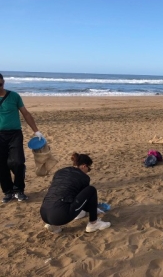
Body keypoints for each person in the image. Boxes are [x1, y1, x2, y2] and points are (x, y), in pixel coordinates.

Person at [0, 73, 44, 203]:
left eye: (0, 84)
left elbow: (26, 113)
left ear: (4, 82)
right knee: (1, 165)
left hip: (15, 134)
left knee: (18, 162)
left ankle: (19, 190)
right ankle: (8, 192)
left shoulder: (14, 96)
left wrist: (36, 131)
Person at [40, 153, 111, 233]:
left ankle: (53, 225)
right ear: (84, 166)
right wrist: (94, 209)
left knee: (58, 193)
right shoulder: (83, 177)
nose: (88, 171)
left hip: (44, 213)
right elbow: (85, 200)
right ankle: (93, 223)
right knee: (91, 190)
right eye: (89, 168)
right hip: (60, 215)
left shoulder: (60, 172)